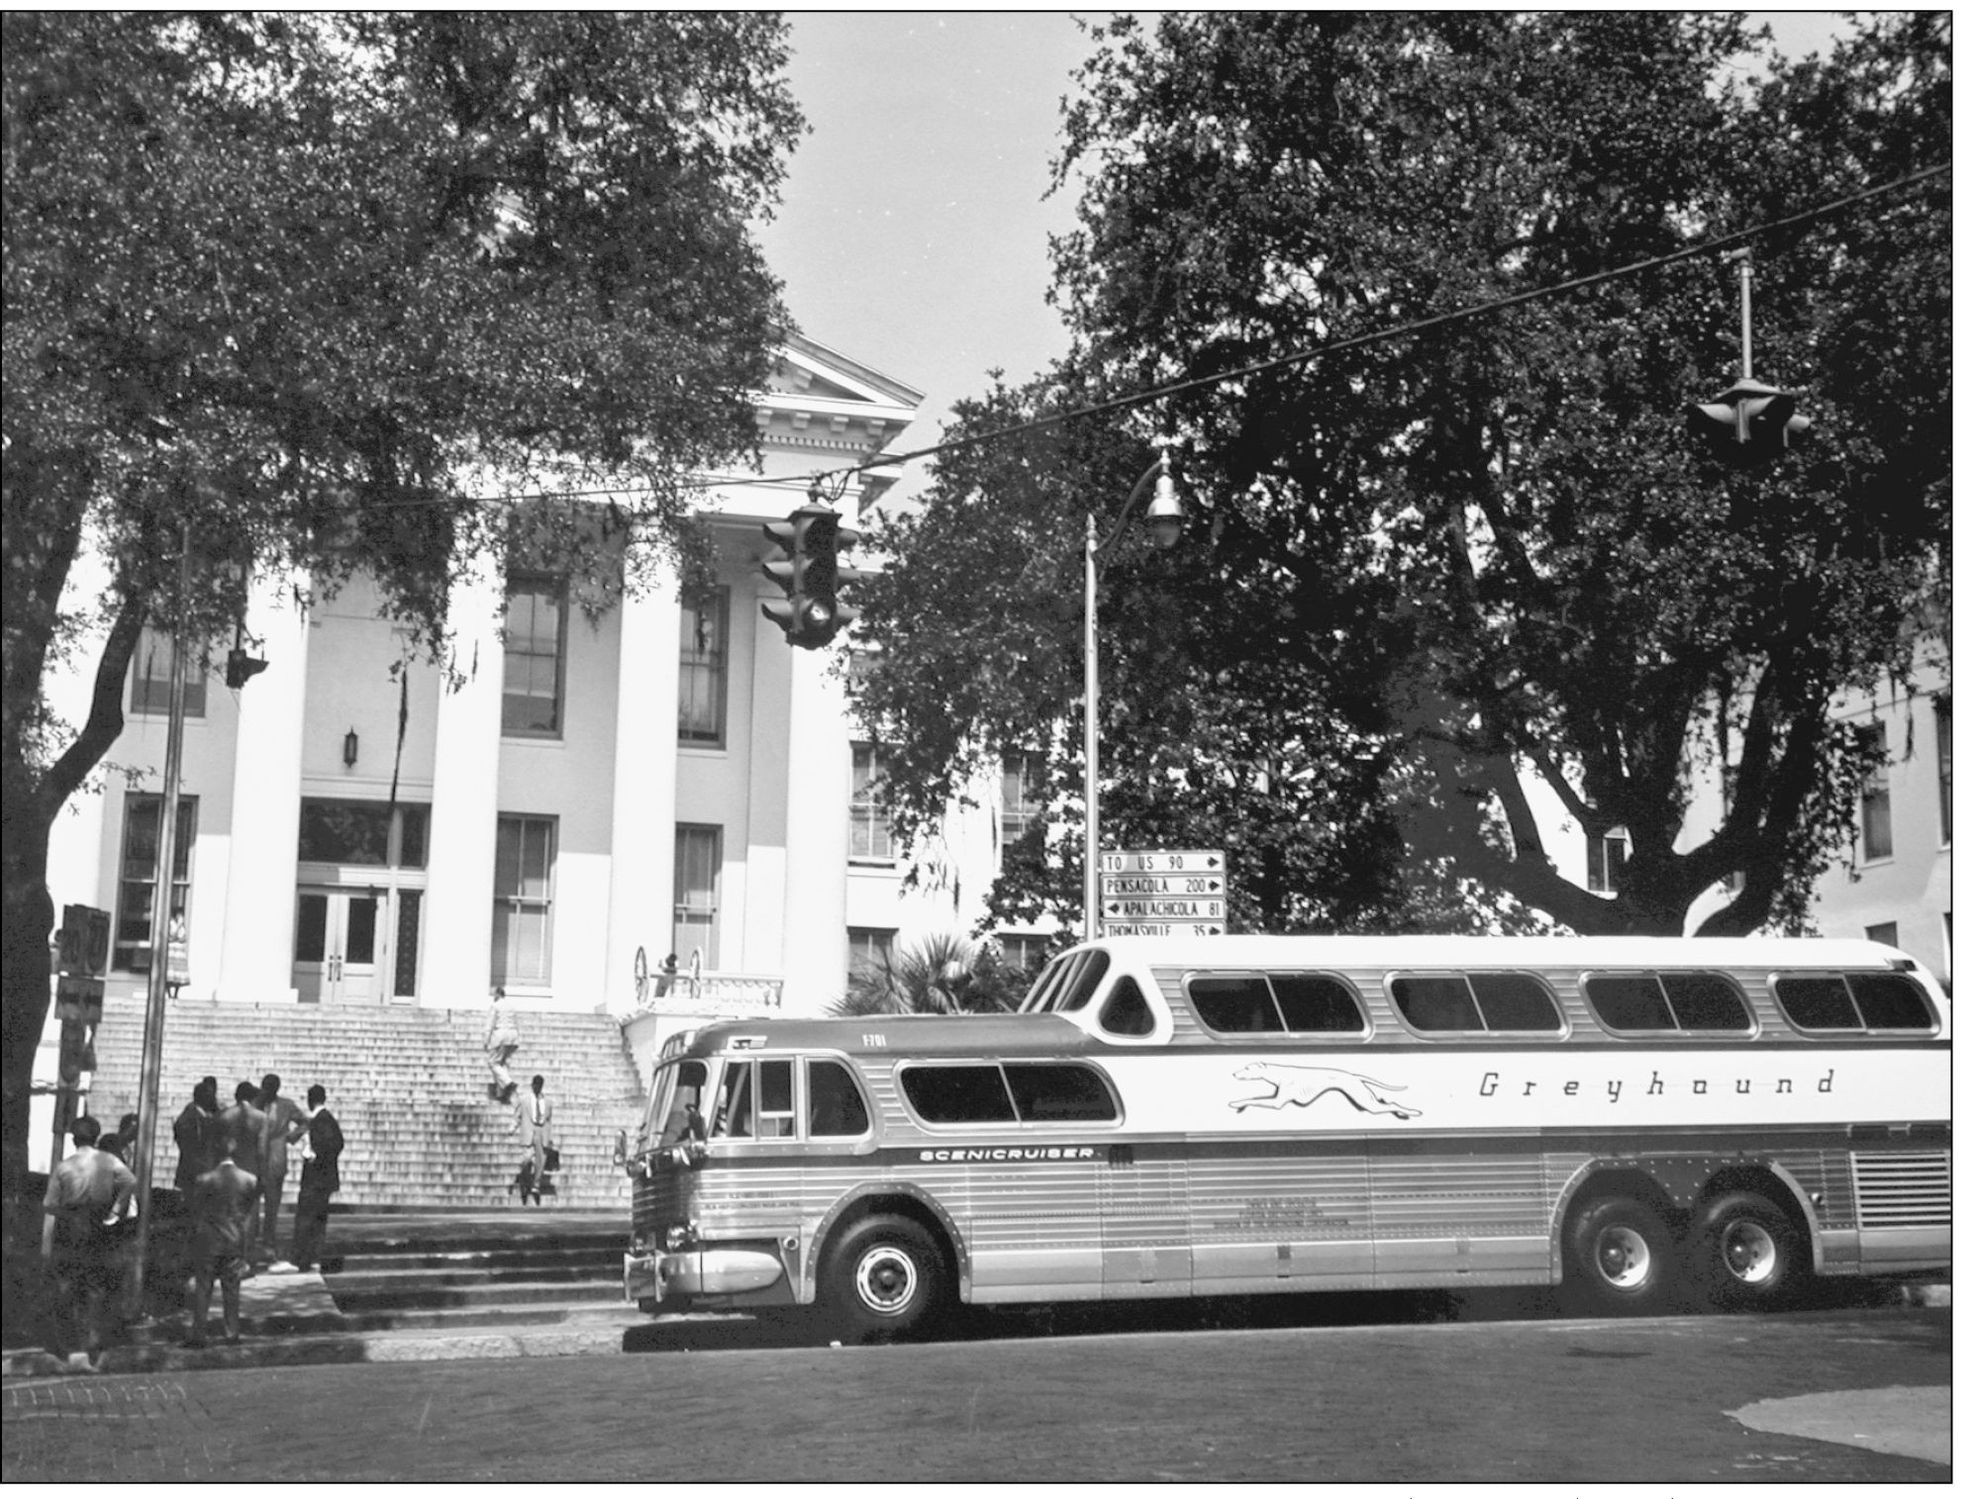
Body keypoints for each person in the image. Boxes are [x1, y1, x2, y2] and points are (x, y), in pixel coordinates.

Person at [40, 1115, 137, 1372]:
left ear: (73, 1139)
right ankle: (94, 1341)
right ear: (95, 1137)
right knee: (97, 1283)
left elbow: (49, 1204)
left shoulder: (64, 1167)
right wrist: (116, 1210)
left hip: (71, 1226)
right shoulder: (109, 1161)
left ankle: (72, 1345)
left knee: (69, 1284)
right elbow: (130, 1181)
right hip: (99, 1224)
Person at [185, 1135, 261, 1348]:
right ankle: (231, 1332)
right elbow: (249, 1213)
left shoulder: (205, 1180)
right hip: (234, 1238)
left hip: (209, 1238)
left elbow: (196, 1212)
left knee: (203, 1288)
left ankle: (199, 1333)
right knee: (232, 1288)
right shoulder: (249, 1180)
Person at [253, 1073, 308, 1273]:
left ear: (276, 1089)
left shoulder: (286, 1105)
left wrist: (291, 1136)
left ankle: (269, 1248)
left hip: (275, 1157)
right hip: (253, 1159)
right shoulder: (254, 1105)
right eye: (264, 1086)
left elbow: (305, 1121)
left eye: (270, 1087)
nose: (266, 1090)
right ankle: (247, 1250)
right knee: (250, 1207)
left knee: (271, 1208)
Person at [289, 1084, 344, 1272]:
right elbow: (338, 1144)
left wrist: (315, 1155)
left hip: (316, 1178)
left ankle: (303, 1258)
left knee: (307, 1218)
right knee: (318, 1219)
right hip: (325, 1179)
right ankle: (313, 1256)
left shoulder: (319, 1120)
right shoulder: (328, 1119)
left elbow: (328, 1145)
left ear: (310, 1100)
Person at [216, 1081, 268, 1270]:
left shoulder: (224, 1116)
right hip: (251, 1170)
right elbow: (262, 1150)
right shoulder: (261, 1118)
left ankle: (227, 1257)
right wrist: (262, 1174)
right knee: (249, 1218)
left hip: (229, 1170)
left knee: (228, 1215)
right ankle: (244, 1259)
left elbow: (218, 1146)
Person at [510, 1075, 555, 1206]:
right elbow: (517, 1116)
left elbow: (549, 1120)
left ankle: (535, 1186)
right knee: (527, 1159)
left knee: (541, 1161)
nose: (537, 1087)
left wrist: (550, 1137)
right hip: (529, 1130)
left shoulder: (548, 1102)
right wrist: (512, 1127)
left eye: (539, 1085)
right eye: (535, 1085)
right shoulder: (524, 1100)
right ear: (532, 1085)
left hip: (542, 1131)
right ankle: (524, 1183)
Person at [173, 1077, 221, 1194]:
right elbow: (187, 1146)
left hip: (206, 1168)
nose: (213, 1098)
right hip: (193, 1171)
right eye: (209, 1095)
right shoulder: (189, 1117)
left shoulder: (211, 1113)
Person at [485, 986, 520, 1102]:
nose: (493, 997)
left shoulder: (495, 1006)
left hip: (500, 1036)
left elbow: (490, 1024)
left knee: (493, 1063)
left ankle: (508, 1083)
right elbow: (516, 1023)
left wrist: (486, 1040)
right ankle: (502, 1093)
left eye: (494, 995)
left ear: (498, 995)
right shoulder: (512, 1006)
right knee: (502, 1064)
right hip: (512, 1037)